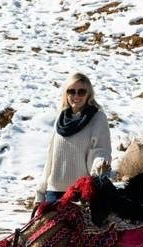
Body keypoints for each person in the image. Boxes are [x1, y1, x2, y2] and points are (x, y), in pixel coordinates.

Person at [36, 73, 112, 205]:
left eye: (81, 92)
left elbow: (101, 150)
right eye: (71, 91)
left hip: (81, 192)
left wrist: (100, 165)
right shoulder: (61, 117)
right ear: (66, 94)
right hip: (54, 192)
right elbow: (51, 156)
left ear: (89, 94)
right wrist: (40, 191)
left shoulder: (98, 118)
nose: (76, 96)